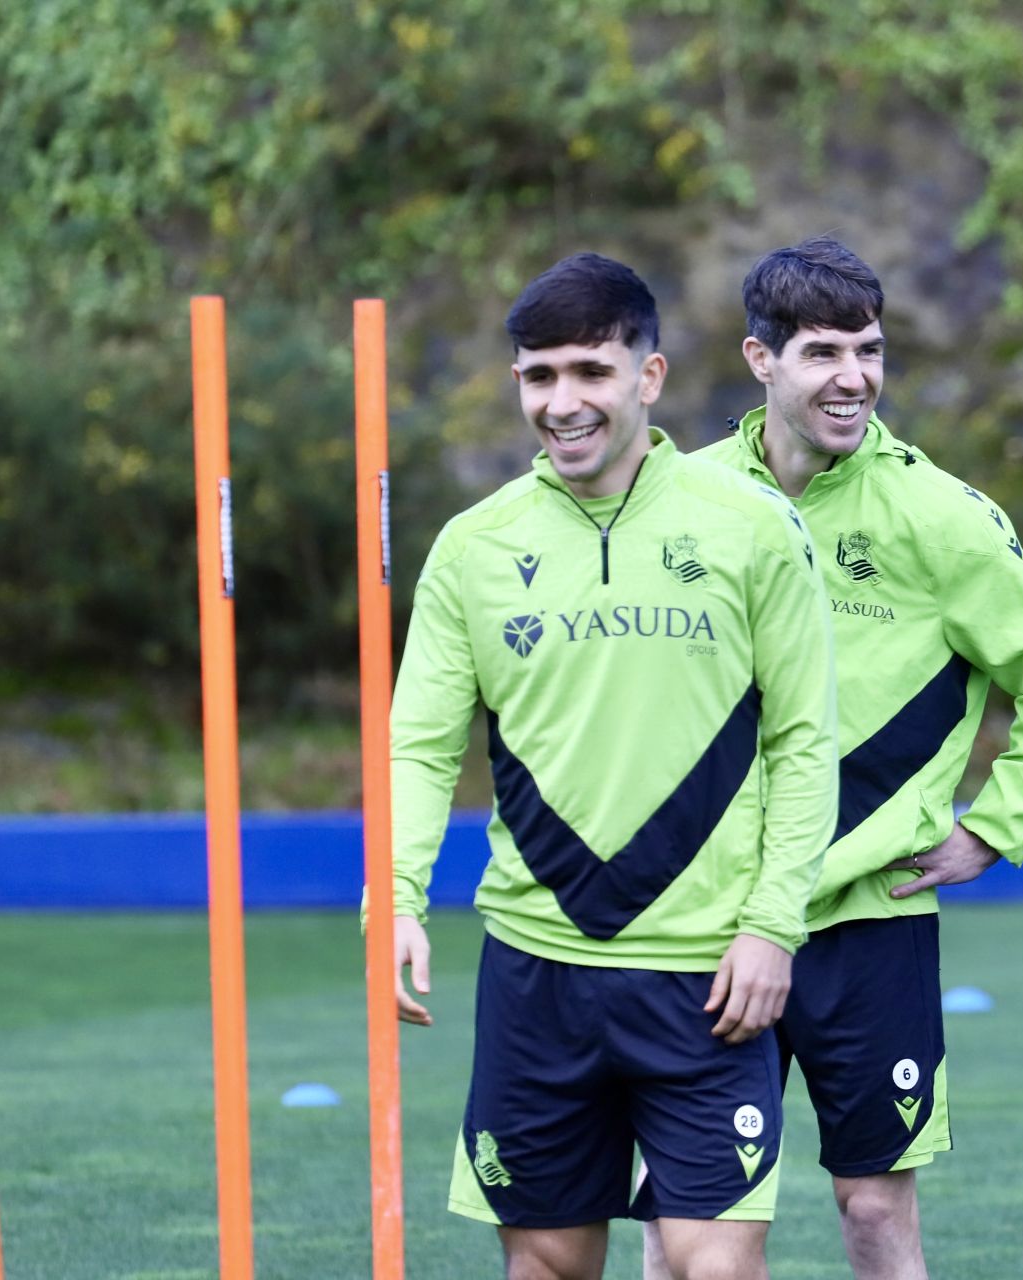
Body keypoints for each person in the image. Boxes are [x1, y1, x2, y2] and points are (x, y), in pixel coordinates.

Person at [644, 236, 1023, 1280]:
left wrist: (998, 827)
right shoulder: (687, 499)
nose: (853, 377)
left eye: (869, 349)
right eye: (822, 352)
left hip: (872, 920)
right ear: (761, 359)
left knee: (871, 1206)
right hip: (707, 916)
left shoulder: (935, 513)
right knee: (690, 1227)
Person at [386, 252, 838, 1280]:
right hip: (537, 970)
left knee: (712, 1265)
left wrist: (774, 922)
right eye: (540, 376)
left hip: (709, 972)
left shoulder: (756, 528)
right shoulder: (473, 548)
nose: (563, 401)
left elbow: (806, 738)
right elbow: (421, 741)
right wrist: (400, 897)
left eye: (591, 371)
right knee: (546, 1263)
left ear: (650, 376)